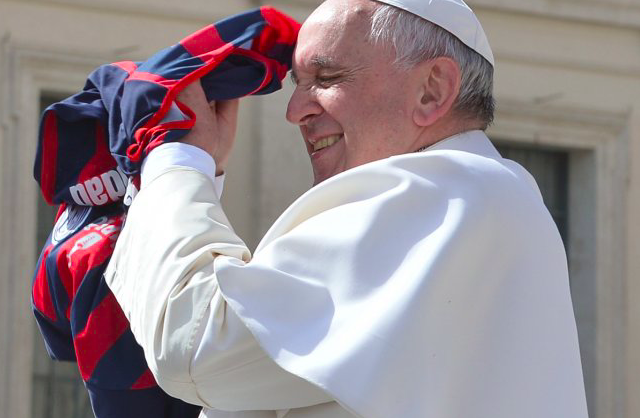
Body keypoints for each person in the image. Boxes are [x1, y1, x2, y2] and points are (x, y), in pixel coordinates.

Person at [104, 0, 589, 417]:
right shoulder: (482, 198)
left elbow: (194, 345)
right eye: (297, 82)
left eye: (327, 77)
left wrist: (176, 160)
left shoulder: (450, 193)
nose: (295, 111)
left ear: (432, 90)